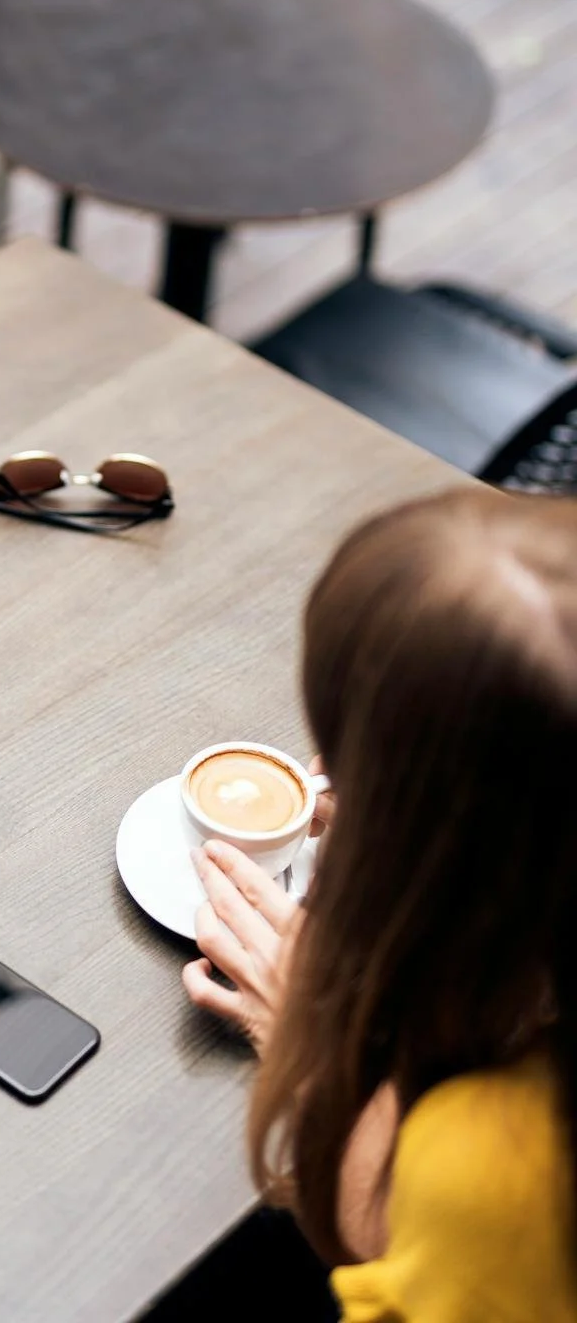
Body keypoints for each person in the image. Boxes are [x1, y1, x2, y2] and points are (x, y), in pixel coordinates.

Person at [184, 487, 577, 1321]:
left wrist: (318, 1051)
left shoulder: (493, 1166)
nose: (323, 764)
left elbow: (395, 1235)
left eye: (355, 750)